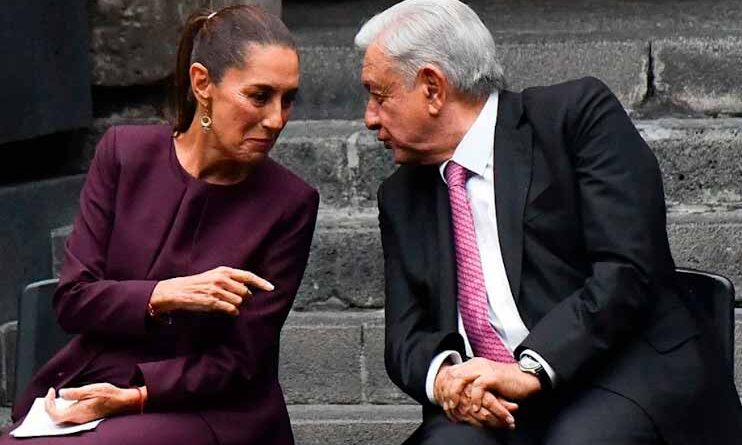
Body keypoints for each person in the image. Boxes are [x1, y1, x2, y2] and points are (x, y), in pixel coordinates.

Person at [355, 1, 742, 444]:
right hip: (495, 399)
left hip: (620, 370)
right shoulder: (402, 196)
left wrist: (531, 369)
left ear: (432, 88)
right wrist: (446, 379)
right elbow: (405, 336)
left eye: (379, 95)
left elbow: (627, 270)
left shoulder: (574, 117)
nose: (369, 118)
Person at [2, 5, 318, 445]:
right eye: (259, 96)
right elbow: (74, 299)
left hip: (213, 409)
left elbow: (241, 360)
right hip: (98, 381)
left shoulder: (290, 203)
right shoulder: (124, 153)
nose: (276, 119)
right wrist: (163, 294)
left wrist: (135, 397)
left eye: (288, 99)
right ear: (202, 84)